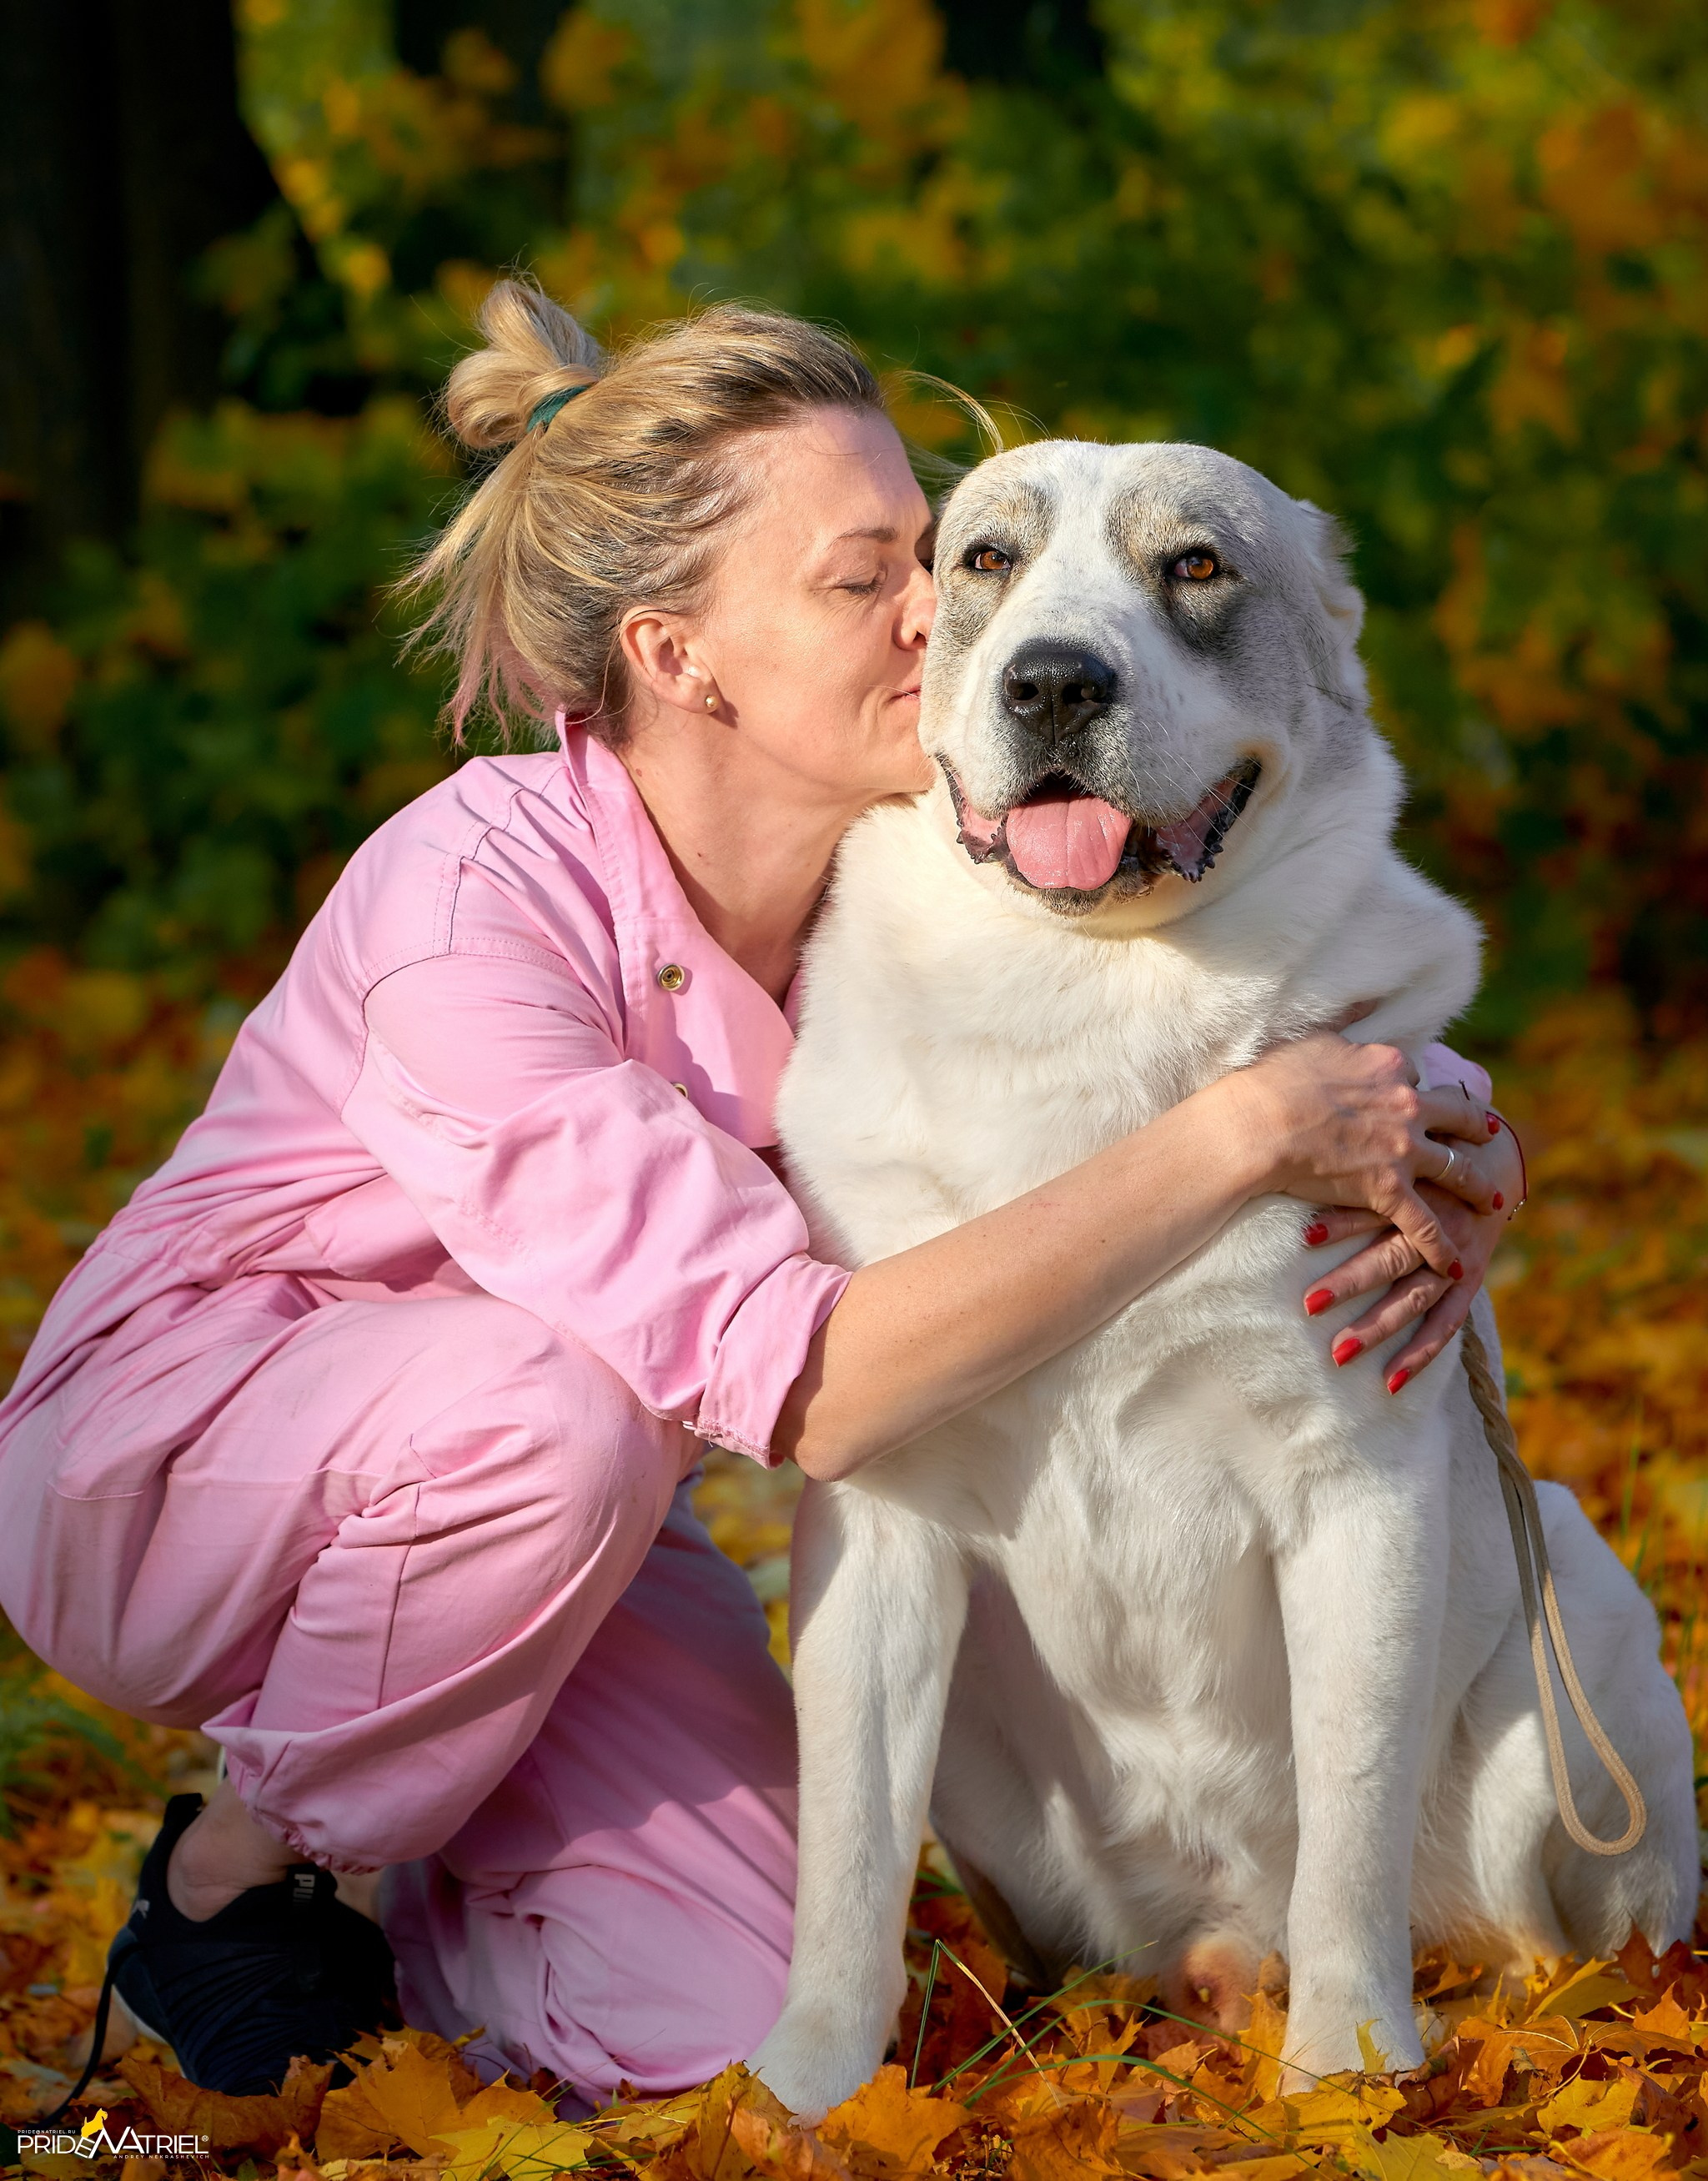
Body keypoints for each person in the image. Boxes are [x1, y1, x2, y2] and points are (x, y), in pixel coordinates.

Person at [0, 284, 1521, 2111]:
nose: (950, 616)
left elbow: (1176, 1036)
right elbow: (820, 1387)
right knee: (541, 1415)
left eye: (928, 556)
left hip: (547, 1525)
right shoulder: (470, 902)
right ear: (679, 654)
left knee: (733, 2025)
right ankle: (237, 1874)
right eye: (863, 576)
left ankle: (448, 1880)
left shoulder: (889, 892)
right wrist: (1246, 1141)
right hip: (191, 1473)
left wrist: (1427, 1128)